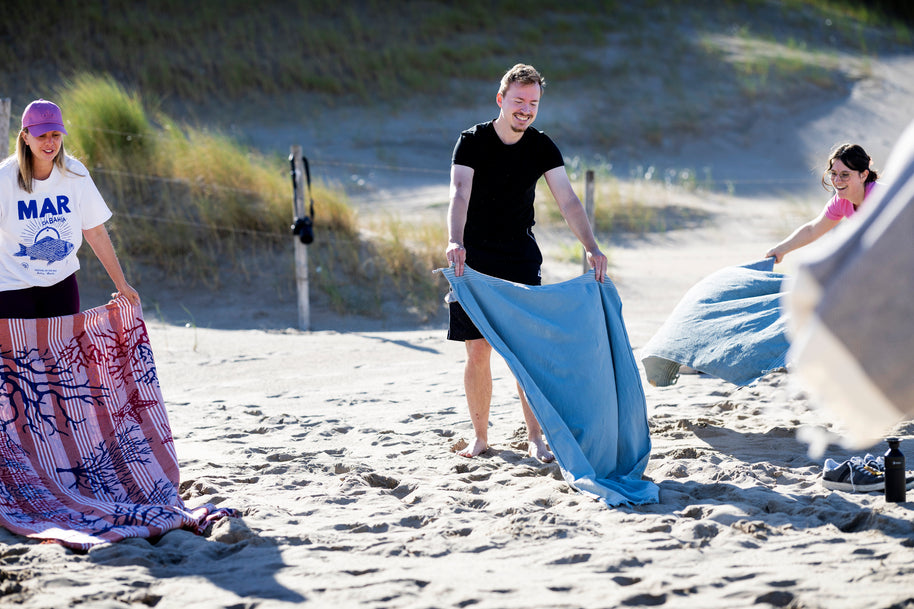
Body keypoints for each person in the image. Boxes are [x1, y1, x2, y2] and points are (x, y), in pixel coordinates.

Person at [445, 64, 607, 461]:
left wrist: (591, 245)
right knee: (478, 350)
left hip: (520, 257)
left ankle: (535, 437)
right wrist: (454, 240)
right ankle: (480, 438)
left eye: (533, 103)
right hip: (474, 259)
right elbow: (459, 192)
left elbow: (568, 200)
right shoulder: (472, 141)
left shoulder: (541, 146)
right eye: (519, 100)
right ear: (501, 99)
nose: (526, 109)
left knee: (524, 352)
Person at [0, 99, 139, 318]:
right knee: (17, 353)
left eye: (55, 135)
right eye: (41, 136)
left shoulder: (76, 174)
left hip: (61, 284)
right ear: (25, 137)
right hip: (11, 286)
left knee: (63, 352)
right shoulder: (4, 179)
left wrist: (122, 285)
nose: (50, 143)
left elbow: (95, 231)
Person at [766, 143, 880, 263]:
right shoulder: (840, 201)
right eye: (833, 173)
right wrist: (780, 249)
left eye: (845, 175)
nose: (837, 180)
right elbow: (812, 230)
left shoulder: (880, 197)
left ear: (863, 175)